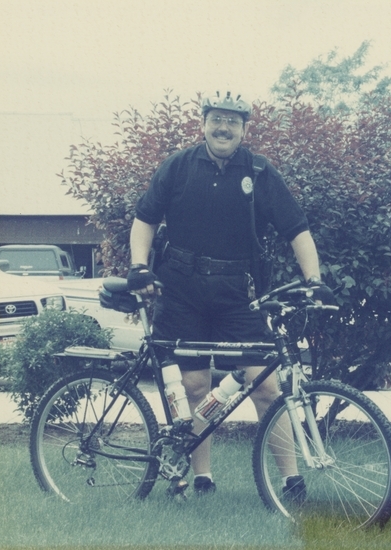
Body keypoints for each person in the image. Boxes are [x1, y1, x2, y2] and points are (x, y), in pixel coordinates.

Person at [127, 91, 333, 499]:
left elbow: (296, 228)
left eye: (232, 122)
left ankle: (291, 480)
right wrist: (139, 266)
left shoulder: (258, 171)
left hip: (239, 293)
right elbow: (144, 219)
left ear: (244, 129)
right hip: (182, 289)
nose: (223, 128)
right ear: (202, 123)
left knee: (266, 385)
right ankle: (202, 476)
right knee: (194, 385)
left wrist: (314, 280)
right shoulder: (179, 166)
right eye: (216, 119)